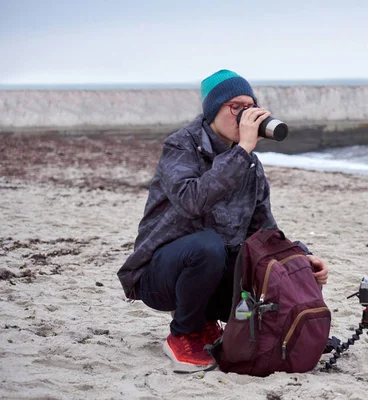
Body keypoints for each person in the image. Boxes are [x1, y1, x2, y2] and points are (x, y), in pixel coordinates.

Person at [117, 69, 329, 372]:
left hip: (212, 276)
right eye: (236, 107)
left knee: (276, 264)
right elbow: (192, 201)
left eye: (250, 106)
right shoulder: (181, 146)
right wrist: (242, 150)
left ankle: (210, 325)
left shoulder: (250, 165)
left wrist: (302, 258)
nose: (245, 115)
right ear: (213, 109)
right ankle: (182, 335)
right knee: (207, 246)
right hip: (160, 278)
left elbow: (264, 230)